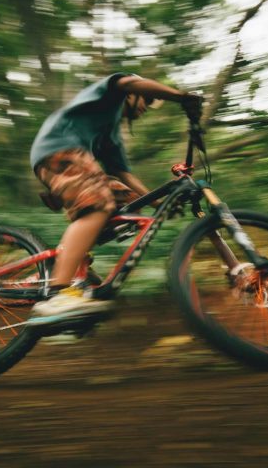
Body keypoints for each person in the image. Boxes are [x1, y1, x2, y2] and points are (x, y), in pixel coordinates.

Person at [29, 73, 202, 322]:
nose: (148, 107)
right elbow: (127, 82)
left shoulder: (110, 135)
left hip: (66, 155)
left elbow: (124, 175)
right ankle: (58, 293)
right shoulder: (111, 94)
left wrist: (159, 202)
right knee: (99, 205)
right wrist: (181, 97)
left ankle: (73, 267)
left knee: (127, 203)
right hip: (60, 148)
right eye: (148, 99)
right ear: (132, 95)